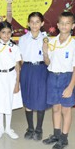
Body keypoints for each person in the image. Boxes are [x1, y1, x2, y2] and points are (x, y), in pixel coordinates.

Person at [42, 12, 75, 149]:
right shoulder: (52, 42)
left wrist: (71, 86)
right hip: (53, 77)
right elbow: (48, 63)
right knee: (55, 108)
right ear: (58, 25)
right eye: (62, 23)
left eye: (68, 23)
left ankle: (64, 138)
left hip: (66, 78)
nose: (64, 26)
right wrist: (46, 53)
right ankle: (56, 134)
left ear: (73, 26)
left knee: (66, 110)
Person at [0, 21, 22, 140]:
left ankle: (8, 128)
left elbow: (17, 66)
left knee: (9, 102)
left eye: (8, 33)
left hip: (11, 77)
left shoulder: (15, 47)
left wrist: (17, 83)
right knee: (0, 102)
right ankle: (1, 127)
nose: (6, 35)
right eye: (3, 33)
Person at [19, 12, 51, 141]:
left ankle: (39, 129)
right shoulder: (23, 39)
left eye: (37, 22)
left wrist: (45, 52)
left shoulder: (47, 39)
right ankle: (30, 128)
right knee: (28, 98)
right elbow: (20, 58)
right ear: (28, 23)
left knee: (40, 99)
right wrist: (25, 69)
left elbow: (48, 62)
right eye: (32, 22)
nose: (34, 24)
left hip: (41, 69)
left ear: (42, 23)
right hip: (27, 69)